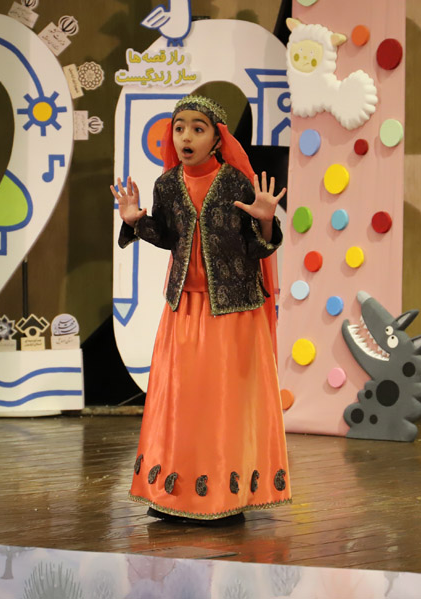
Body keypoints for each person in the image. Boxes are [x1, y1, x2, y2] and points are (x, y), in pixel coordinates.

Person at [110, 95, 291, 523]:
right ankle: (175, 495)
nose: (185, 136)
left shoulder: (235, 184)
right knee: (181, 404)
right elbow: (169, 236)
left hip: (232, 312)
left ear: (216, 139)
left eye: (197, 128)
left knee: (224, 404)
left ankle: (226, 497)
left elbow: (256, 248)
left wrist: (266, 220)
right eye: (179, 128)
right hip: (184, 309)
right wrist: (136, 221)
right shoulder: (168, 185)